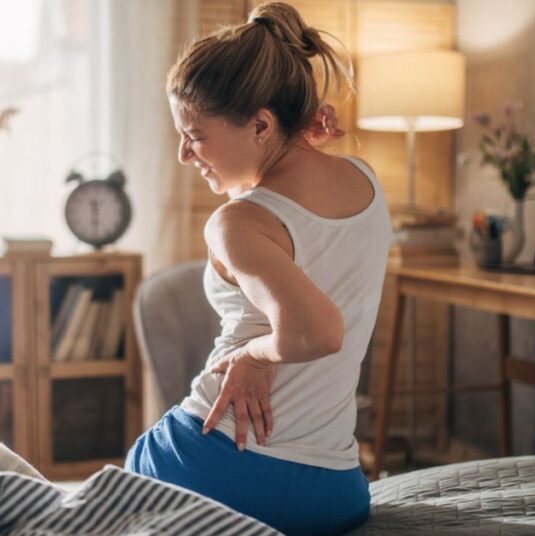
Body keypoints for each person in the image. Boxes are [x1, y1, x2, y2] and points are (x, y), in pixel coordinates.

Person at [123, 3, 392, 535]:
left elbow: (317, 330)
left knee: (127, 473)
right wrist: (294, 138)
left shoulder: (236, 223)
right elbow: (306, 214)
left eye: (195, 135)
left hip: (215, 467)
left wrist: (254, 355)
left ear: (261, 124)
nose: (183, 154)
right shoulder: (367, 183)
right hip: (335, 489)